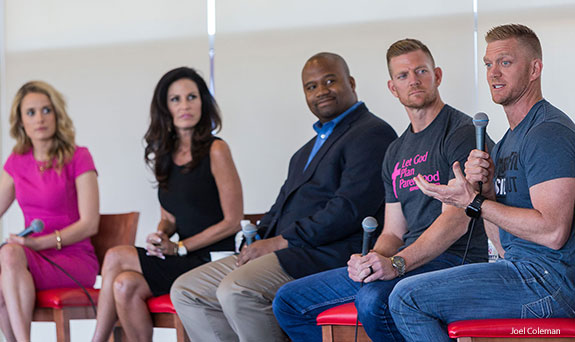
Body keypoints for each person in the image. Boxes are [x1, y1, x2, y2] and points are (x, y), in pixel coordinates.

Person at [170, 52, 397, 342]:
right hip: (285, 250)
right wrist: (257, 239)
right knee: (187, 290)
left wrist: (279, 241)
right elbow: (280, 208)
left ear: (351, 82)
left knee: (238, 289)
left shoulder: (372, 133)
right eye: (311, 86)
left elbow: (348, 209)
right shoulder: (304, 151)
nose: (321, 91)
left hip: (326, 253)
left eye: (330, 81)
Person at [273, 39, 491, 341]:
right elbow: (393, 232)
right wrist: (371, 259)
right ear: (392, 88)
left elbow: (457, 221)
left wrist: (397, 263)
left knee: (373, 299)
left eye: (421, 71)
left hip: (452, 260)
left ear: (437, 75)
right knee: (288, 301)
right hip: (407, 260)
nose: (413, 80)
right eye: (403, 76)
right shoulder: (395, 151)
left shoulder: (460, 133)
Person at [388, 24, 575, 341]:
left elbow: (554, 232)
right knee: (406, 294)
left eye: (505, 62)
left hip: (550, 283)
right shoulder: (504, 144)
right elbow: (503, 248)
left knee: (407, 297)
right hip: (520, 270)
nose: (493, 74)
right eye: (488, 65)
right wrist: (485, 191)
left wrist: (473, 202)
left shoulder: (548, 132)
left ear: (534, 69)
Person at [91, 67, 243, 342]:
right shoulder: (165, 156)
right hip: (181, 257)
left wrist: (180, 247)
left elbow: (232, 221)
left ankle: (96, 340)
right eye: (176, 99)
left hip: (213, 260)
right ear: (166, 108)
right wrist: (161, 234)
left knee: (115, 256)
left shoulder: (216, 150)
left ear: (202, 103)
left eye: (191, 97)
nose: (185, 105)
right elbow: (170, 217)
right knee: (125, 285)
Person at [0, 81, 100, 341]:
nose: (40, 118)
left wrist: (37, 243)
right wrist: (27, 247)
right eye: (31, 113)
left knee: (10, 254)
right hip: (30, 260)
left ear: (57, 114)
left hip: (74, 257)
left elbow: (90, 224)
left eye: (47, 110)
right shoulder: (16, 162)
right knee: (6, 259)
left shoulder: (79, 157)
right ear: (21, 122)